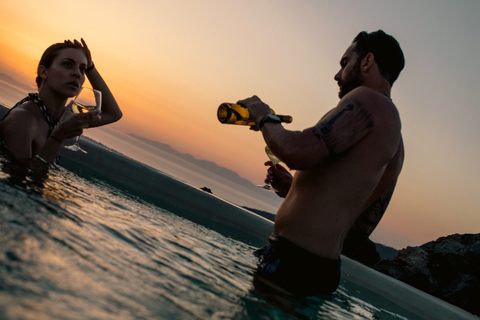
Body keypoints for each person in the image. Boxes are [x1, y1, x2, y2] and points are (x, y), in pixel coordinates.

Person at [238, 30, 405, 295]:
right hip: (315, 267)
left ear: (367, 62)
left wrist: (264, 117)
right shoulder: (396, 141)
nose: (338, 75)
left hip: (295, 263)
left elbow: (297, 151)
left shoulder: (368, 100)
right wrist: (295, 190)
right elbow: (359, 225)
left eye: (344, 63)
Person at [0, 39, 122, 166]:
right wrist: (59, 136)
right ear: (43, 72)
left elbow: (114, 114)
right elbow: (20, 179)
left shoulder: (62, 118)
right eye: (67, 64)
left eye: (82, 69)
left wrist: (91, 68)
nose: (77, 74)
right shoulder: (23, 119)